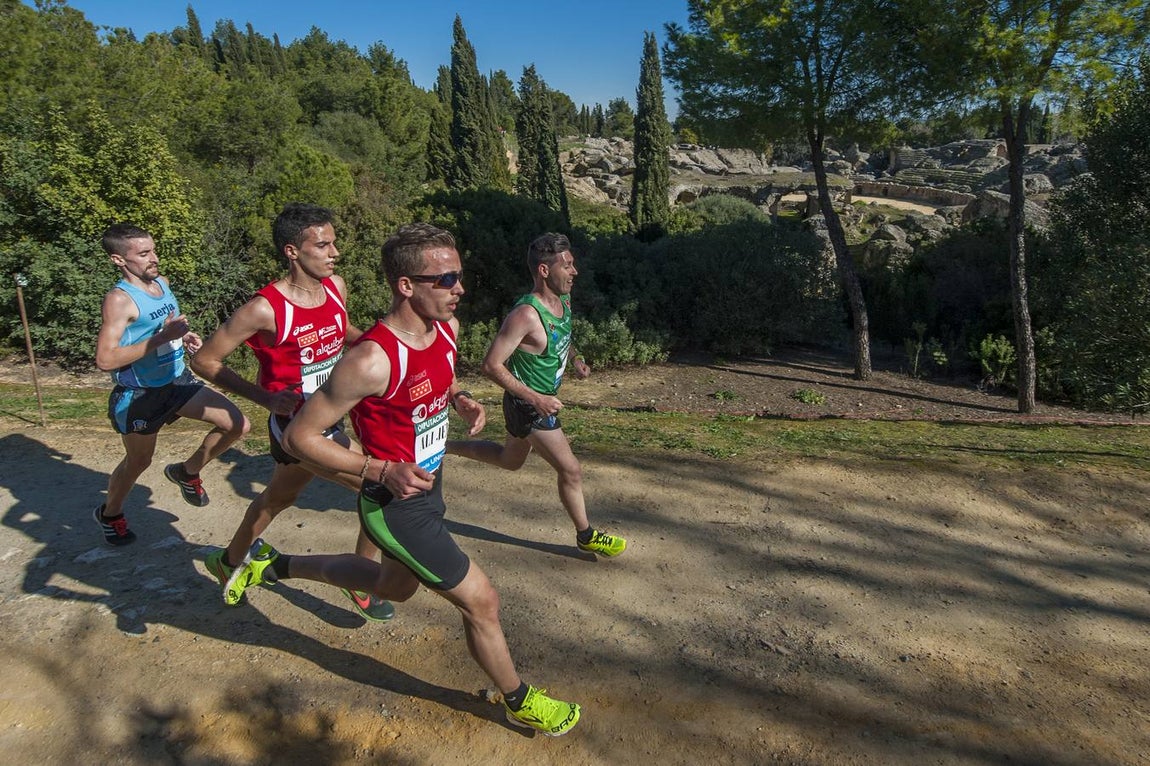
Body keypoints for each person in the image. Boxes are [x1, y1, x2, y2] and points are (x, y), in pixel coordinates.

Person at [226, 223, 581, 736]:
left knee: (392, 586)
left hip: (430, 485)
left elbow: (441, 375)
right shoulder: (370, 359)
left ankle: (274, 563)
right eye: (446, 279)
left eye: (459, 276)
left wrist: (459, 397)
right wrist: (378, 469)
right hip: (393, 504)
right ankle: (518, 699)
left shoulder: (446, 329)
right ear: (406, 285)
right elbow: (300, 436)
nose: (460, 289)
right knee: (481, 600)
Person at [190, 203, 392, 620]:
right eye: (323, 245)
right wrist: (264, 399)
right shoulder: (264, 308)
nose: (335, 252)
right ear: (292, 251)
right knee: (381, 488)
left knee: (278, 497)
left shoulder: (335, 286)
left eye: (334, 242)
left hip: (330, 415)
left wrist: (378, 347)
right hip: (296, 426)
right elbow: (205, 361)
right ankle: (361, 578)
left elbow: (339, 328)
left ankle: (229, 560)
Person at [447, 232, 626, 557]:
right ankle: (586, 535)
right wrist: (536, 399)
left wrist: (575, 359)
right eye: (567, 265)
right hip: (528, 406)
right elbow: (491, 365)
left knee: (510, 460)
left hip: (535, 403)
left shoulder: (563, 300)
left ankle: (443, 448)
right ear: (544, 270)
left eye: (573, 264)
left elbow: (563, 336)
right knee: (570, 469)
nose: (574, 271)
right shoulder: (525, 315)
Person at [93, 223, 249, 546]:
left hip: (177, 381)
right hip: (140, 394)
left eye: (153, 250)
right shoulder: (119, 300)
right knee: (139, 462)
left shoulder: (161, 283)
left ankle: (186, 472)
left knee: (237, 424)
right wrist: (163, 338)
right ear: (118, 260)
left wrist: (183, 336)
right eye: (143, 254)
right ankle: (110, 513)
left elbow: (164, 325)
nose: (154, 258)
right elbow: (105, 359)